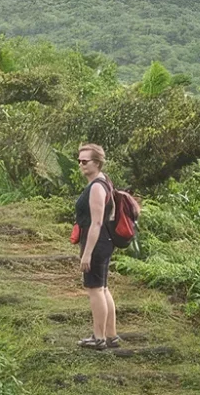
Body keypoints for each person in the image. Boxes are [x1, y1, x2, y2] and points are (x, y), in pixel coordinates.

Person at [75, 143, 120, 350]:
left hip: (97, 240)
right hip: (104, 241)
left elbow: (97, 222)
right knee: (102, 288)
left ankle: (99, 337)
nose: (81, 164)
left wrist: (87, 253)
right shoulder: (103, 181)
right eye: (79, 161)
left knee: (94, 289)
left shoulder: (96, 187)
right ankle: (110, 335)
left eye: (86, 161)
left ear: (97, 163)